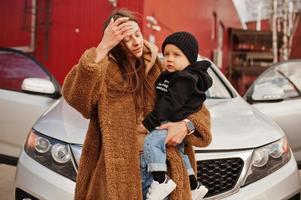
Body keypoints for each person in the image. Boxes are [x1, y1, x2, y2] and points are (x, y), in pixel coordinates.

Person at [62, 9, 212, 200]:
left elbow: (199, 109)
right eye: (126, 39)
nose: (136, 41)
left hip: (163, 171)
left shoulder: (163, 67)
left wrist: (186, 126)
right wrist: (102, 47)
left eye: (137, 34)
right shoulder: (102, 71)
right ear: (115, 43)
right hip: (116, 174)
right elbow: (78, 99)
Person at [142, 32, 212, 200]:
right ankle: (194, 185)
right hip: (170, 124)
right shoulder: (172, 75)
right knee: (181, 155)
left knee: (151, 141)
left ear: (190, 59)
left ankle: (161, 180)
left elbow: (170, 103)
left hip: (168, 123)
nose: (169, 59)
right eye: (166, 54)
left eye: (176, 55)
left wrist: (148, 123)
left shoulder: (184, 79)